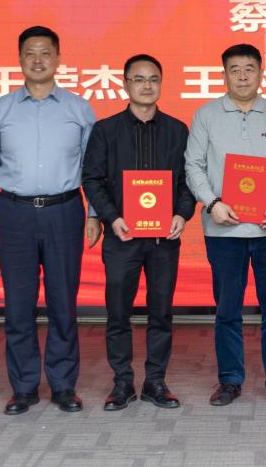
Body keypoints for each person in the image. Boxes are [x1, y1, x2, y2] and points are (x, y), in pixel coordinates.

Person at [0, 26, 101, 415]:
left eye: (46, 52)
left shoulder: (78, 109)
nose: (38, 60)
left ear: (59, 58)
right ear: (19, 59)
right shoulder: (1, 109)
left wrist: (94, 213)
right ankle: (24, 387)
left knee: (63, 303)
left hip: (65, 211)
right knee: (18, 305)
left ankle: (63, 385)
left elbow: (94, 168)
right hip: (14, 214)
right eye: (30, 53)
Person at [185, 43, 266, 410]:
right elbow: (193, 166)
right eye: (234, 70)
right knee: (227, 309)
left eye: (249, 69)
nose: (242, 76)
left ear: (260, 73)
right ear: (224, 75)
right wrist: (212, 203)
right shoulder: (206, 115)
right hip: (224, 229)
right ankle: (230, 380)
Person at [81, 54, 196, 411]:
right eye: (139, 79)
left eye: (153, 79)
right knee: (118, 313)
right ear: (125, 83)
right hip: (122, 238)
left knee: (161, 312)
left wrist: (182, 214)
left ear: (161, 83)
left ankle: (155, 382)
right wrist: (112, 217)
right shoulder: (106, 130)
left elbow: (189, 180)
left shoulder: (178, 130)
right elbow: (92, 179)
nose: (147, 85)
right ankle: (122, 382)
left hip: (164, 240)